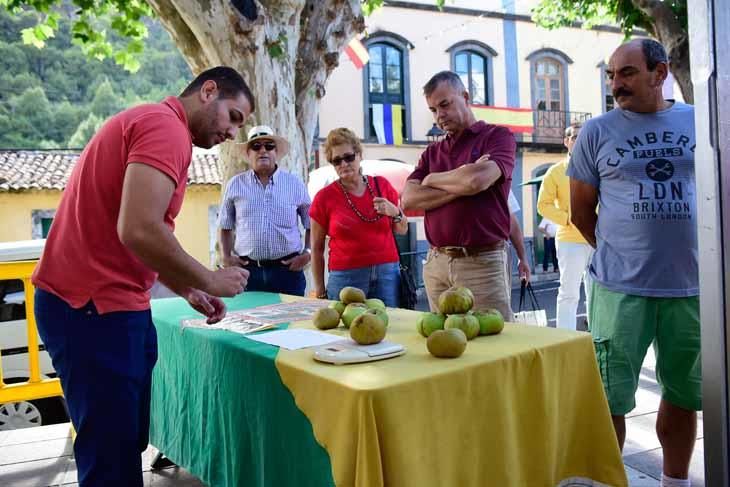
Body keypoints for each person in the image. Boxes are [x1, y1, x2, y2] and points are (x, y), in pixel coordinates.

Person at [31, 66, 254, 487]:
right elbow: (138, 227)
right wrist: (209, 278)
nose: (233, 134)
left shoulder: (152, 123)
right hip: (93, 307)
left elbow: (140, 234)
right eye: (234, 117)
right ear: (208, 91)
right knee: (110, 460)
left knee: (121, 444)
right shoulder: (164, 128)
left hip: (107, 306)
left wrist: (186, 286)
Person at [569, 39, 700, 487]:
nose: (615, 84)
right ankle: (611, 481)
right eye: (611, 75)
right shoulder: (597, 132)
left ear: (660, 73)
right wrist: (625, 252)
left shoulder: (699, 121)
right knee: (610, 400)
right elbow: (581, 212)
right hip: (620, 288)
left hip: (693, 288)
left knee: (685, 395)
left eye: (626, 73)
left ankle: (675, 482)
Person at [402, 71, 515, 320]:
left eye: (445, 104)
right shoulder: (432, 153)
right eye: (433, 109)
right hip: (436, 264)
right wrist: (461, 180)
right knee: (445, 345)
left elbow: (477, 180)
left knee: (494, 346)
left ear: (465, 97)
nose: (439, 115)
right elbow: (408, 199)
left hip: (481, 263)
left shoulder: (497, 137)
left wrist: (433, 180)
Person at [310, 128, 407, 306]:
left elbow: (402, 229)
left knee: (388, 327)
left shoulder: (382, 185)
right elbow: (316, 249)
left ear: (359, 154)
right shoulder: (324, 198)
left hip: (387, 273)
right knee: (343, 331)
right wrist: (320, 291)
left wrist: (394, 211)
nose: (344, 164)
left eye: (348, 157)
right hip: (345, 277)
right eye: (336, 161)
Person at [218, 125, 311, 296]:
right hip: (247, 272)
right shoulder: (235, 185)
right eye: (256, 146)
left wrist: (308, 252)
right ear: (248, 153)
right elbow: (225, 225)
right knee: (249, 321)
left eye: (269, 146)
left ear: (276, 152)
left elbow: (311, 223)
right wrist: (226, 257)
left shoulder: (295, 184)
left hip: (287, 272)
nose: (263, 151)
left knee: (291, 322)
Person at [538, 123, 593, 329]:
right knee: (569, 293)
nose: (579, 140)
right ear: (566, 141)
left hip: (599, 240)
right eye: (575, 136)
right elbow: (543, 205)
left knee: (597, 293)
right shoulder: (555, 172)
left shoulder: (597, 168)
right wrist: (568, 219)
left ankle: (596, 336)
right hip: (571, 241)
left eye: (583, 136)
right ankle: (566, 337)